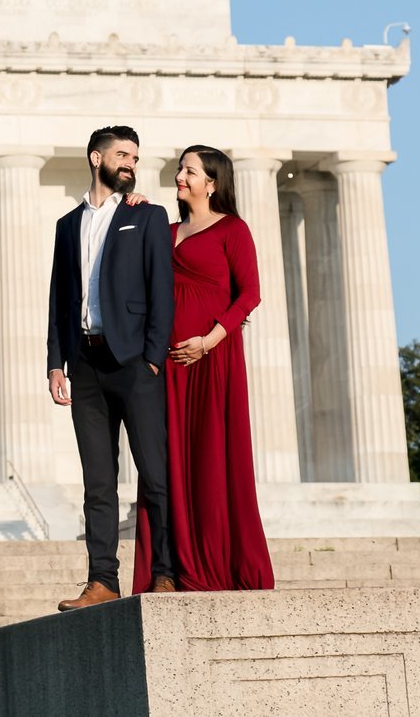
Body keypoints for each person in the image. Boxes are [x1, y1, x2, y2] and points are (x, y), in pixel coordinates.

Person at [129, 143, 275, 592]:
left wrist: (209, 341)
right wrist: (127, 206)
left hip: (212, 361)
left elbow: (249, 294)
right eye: (179, 169)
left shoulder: (233, 229)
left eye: (190, 171)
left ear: (212, 183)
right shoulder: (165, 229)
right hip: (167, 365)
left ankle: (216, 565)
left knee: (212, 458)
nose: (180, 177)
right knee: (163, 462)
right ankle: (167, 568)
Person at [46, 124, 180, 608]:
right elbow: (60, 299)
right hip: (84, 364)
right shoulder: (66, 225)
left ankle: (165, 572)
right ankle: (101, 580)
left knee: (155, 473)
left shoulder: (148, 218)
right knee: (97, 481)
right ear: (95, 158)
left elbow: (161, 293)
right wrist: (56, 363)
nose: (131, 163)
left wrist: (151, 358)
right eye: (122, 154)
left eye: (135, 157)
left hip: (134, 365)